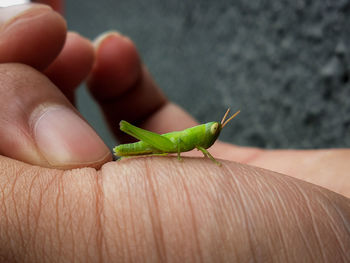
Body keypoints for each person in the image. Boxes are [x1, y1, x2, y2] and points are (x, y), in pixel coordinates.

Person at [0, 2, 349, 262]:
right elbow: (178, 147)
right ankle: (127, 146)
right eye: (214, 130)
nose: (213, 135)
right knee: (132, 134)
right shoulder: (192, 141)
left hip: (169, 146)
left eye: (215, 132)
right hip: (164, 145)